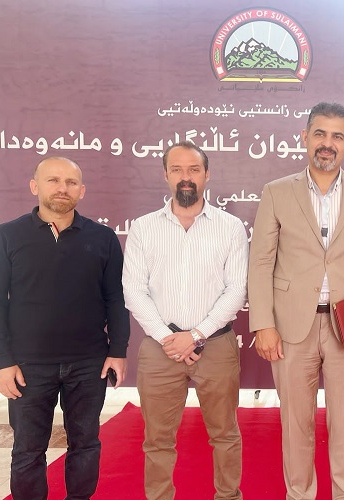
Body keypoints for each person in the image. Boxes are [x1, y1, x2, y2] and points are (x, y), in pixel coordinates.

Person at [248, 101, 344, 499]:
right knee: (295, 424)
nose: (327, 143)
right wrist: (263, 324)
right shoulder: (276, 192)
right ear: (304, 137)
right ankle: (300, 493)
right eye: (319, 134)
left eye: (337, 136)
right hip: (291, 327)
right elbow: (260, 262)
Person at [0, 157, 130, 500]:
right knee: (28, 450)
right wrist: (0, 360)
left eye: (71, 182)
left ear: (82, 191)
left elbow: (116, 299)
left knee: (85, 445)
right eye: (53, 180)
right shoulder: (7, 236)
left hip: (89, 364)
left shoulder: (103, 238)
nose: (63, 188)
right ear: (35, 186)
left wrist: (118, 350)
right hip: (27, 366)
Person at [122, 141, 247, 500]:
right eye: (177, 169)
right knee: (157, 439)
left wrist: (196, 334)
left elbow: (237, 289)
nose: (185, 177)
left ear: (207, 175)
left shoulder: (230, 227)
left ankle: (228, 496)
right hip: (160, 349)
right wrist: (168, 337)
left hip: (216, 345)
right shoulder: (144, 228)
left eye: (193, 169)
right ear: (166, 175)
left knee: (225, 434)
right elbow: (133, 290)